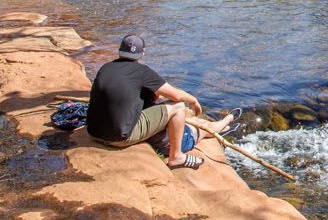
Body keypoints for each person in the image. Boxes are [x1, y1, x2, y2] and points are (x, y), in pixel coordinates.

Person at [85, 34, 236, 170]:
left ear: (119, 51)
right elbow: (176, 96)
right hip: (117, 138)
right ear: (142, 54)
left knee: (187, 118)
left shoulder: (106, 68)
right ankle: (177, 156)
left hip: (93, 132)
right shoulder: (141, 71)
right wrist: (194, 100)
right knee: (181, 109)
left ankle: (226, 123)